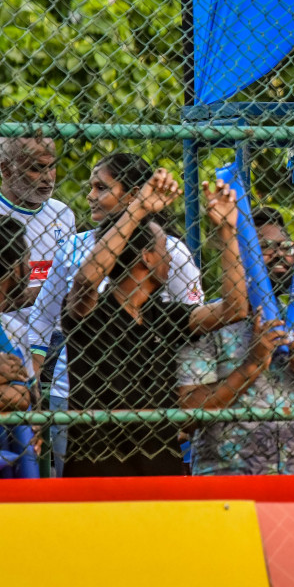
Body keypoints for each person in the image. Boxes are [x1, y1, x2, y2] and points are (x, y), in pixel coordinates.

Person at [61, 175, 248, 477]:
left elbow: (234, 309)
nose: (171, 257)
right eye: (164, 248)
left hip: (161, 470)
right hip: (99, 471)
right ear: (146, 258)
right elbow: (85, 281)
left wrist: (227, 230)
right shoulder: (90, 312)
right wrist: (138, 208)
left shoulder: (161, 315)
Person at [28, 152, 204, 469]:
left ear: (134, 194)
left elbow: (191, 324)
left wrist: (184, 401)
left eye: (102, 187)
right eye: (91, 187)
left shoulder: (169, 250)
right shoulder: (73, 246)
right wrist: (38, 389)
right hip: (74, 399)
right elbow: (43, 320)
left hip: (149, 400)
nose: (91, 196)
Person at [176, 208, 294, 476]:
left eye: (285, 246)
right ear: (240, 255)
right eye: (264, 247)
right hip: (227, 483)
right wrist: (252, 364)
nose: (279, 254)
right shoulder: (210, 324)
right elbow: (188, 413)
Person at [0, 136, 75, 308]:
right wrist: (49, 292)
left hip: (57, 328)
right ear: (6, 170)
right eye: (37, 168)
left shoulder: (62, 213)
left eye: (52, 166)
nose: (48, 177)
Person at [0, 216, 33, 415]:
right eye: (27, 259)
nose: (30, 268)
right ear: (15, 269)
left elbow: (23, 396)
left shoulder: (15, 330)